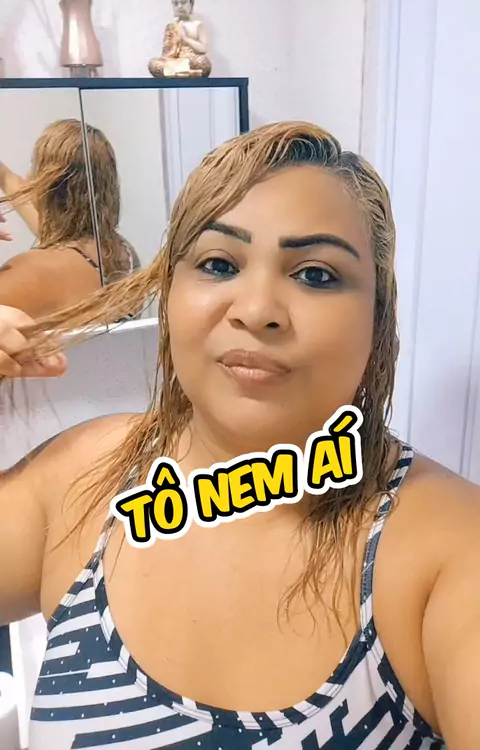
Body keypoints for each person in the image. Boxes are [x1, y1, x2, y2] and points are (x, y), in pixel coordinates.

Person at [0, 121, 478, 749]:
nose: (255, 311)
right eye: (218, 263)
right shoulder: (79, 481)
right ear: (171, 291)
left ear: (377, 318)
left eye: (316, 274)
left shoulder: (450, 550)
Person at [0, 119, 141, 318]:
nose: (28, 177)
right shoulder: (124, 254)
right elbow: (60, 242)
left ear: (48, 184)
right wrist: (4, 176)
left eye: (34, 166)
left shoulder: (31, 272)